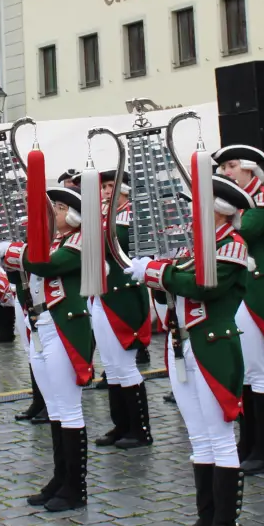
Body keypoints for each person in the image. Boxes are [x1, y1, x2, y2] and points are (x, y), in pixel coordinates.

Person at [130, 173, 254, 526]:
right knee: (199, 438)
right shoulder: (191, 246)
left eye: (195, 205)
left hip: (211, 345)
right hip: (182, 342)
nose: (188, 211)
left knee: (219, 437)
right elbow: (176, 291)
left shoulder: (231, 246)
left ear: (218, 210)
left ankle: (226, 524)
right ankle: (206, 517)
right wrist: (161, 277)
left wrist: (155, 272)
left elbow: (203, 285)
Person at [0, 183, 97, 513]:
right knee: (54, 407)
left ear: (73, 214)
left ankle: (75, 487)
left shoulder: (81, 240)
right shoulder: (53, 241)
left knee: (68, 407)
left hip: (65, 325)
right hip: (42, 324)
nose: (52, 213)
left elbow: (47, 265)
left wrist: (14, 252)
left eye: (57, 208)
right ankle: (60, 478)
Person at [214, 145, 264, 475]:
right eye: (223, 167)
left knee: (258, 370)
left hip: (254, 289)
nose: (226, 171)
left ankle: (263, 450)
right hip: (236, 289)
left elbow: (244, 230)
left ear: (250, 169)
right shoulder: (238, 201)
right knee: (242, 372)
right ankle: (247, 441)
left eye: (231, 166)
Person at [86, 169, 154, 451]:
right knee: (111, 367)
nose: (105, 192)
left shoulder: (131, 216)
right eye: (102, 187)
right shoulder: (102, 217)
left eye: (111, 186)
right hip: (101, 296)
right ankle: (121, 424)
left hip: (124, 298)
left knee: (125, 366)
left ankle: (139, 429)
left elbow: (111, 243)